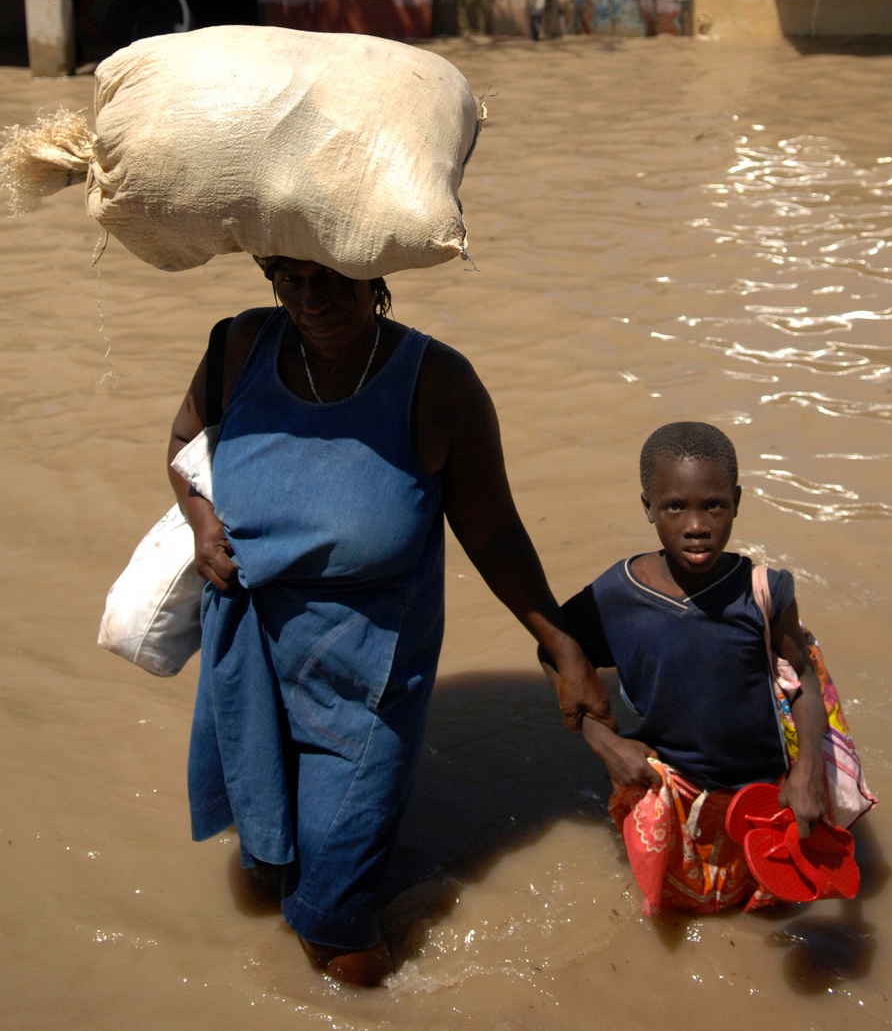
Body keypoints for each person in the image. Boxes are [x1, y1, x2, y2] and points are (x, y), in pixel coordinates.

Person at [168, 258, 612, 984]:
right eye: (290, 279)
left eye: (332, 278)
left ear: (373, 270)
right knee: (263, 872)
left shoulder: (437, 385)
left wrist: (563, 645)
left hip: (366, 675)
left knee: (340, 942)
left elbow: (493, 532)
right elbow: (184, 448)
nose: (312, 301)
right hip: (249, 653)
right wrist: (202, 523)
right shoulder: (240, 347)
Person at [546, 420, 827, 914]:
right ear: (648, 507)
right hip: (670, 794)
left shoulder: (764, 592)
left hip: (763, 797)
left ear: (736, 501)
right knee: (672, 914)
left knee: (772, 908)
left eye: (713, 505)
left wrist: (807, 770)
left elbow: (801, 677)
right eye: (675, 506)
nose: (696, 525)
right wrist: (604, 740)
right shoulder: (617, 595)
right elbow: (555, 652)